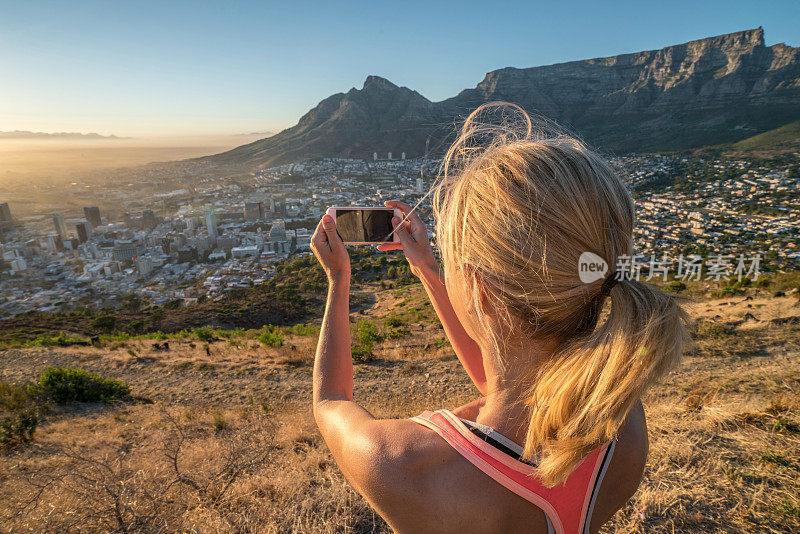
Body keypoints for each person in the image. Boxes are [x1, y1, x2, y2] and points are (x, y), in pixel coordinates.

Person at [310, 102, 689, 534]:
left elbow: (331, 402)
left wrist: (339, 278)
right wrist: (431, 272)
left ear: (479, 289)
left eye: (455, 262)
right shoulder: (618, 415)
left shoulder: (408, 466)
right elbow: (511, 386)